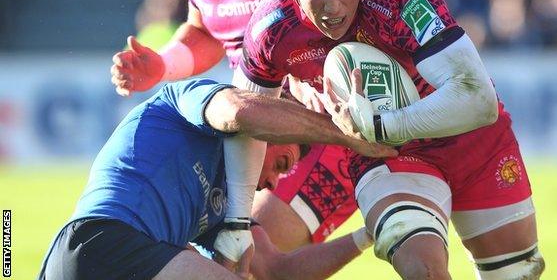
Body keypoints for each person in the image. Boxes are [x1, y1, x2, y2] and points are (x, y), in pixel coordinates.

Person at [233, 0, 546, 278]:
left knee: (517, 273)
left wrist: (382, 124)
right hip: (386, 153)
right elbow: (245, 122)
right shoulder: (271, 27)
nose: (332, 7)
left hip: (469, 137)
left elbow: (478, 99)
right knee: (421, 267)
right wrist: (234, 219)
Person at [110, 0, 363, 254]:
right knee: (228, 255)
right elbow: (207, 32)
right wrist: (162, 65)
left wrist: (316, 66)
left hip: (327, 119)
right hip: (259, 125)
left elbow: (348, 0)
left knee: (253, 253)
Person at [38, 78, 393, 280]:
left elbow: (276, 271)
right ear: (269, 132)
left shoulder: (229, 203)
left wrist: (368, 235)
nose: (273, 182)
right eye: (281, 163)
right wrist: (344, 133)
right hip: (100, 242)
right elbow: (241, 111)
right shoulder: (185, 101)